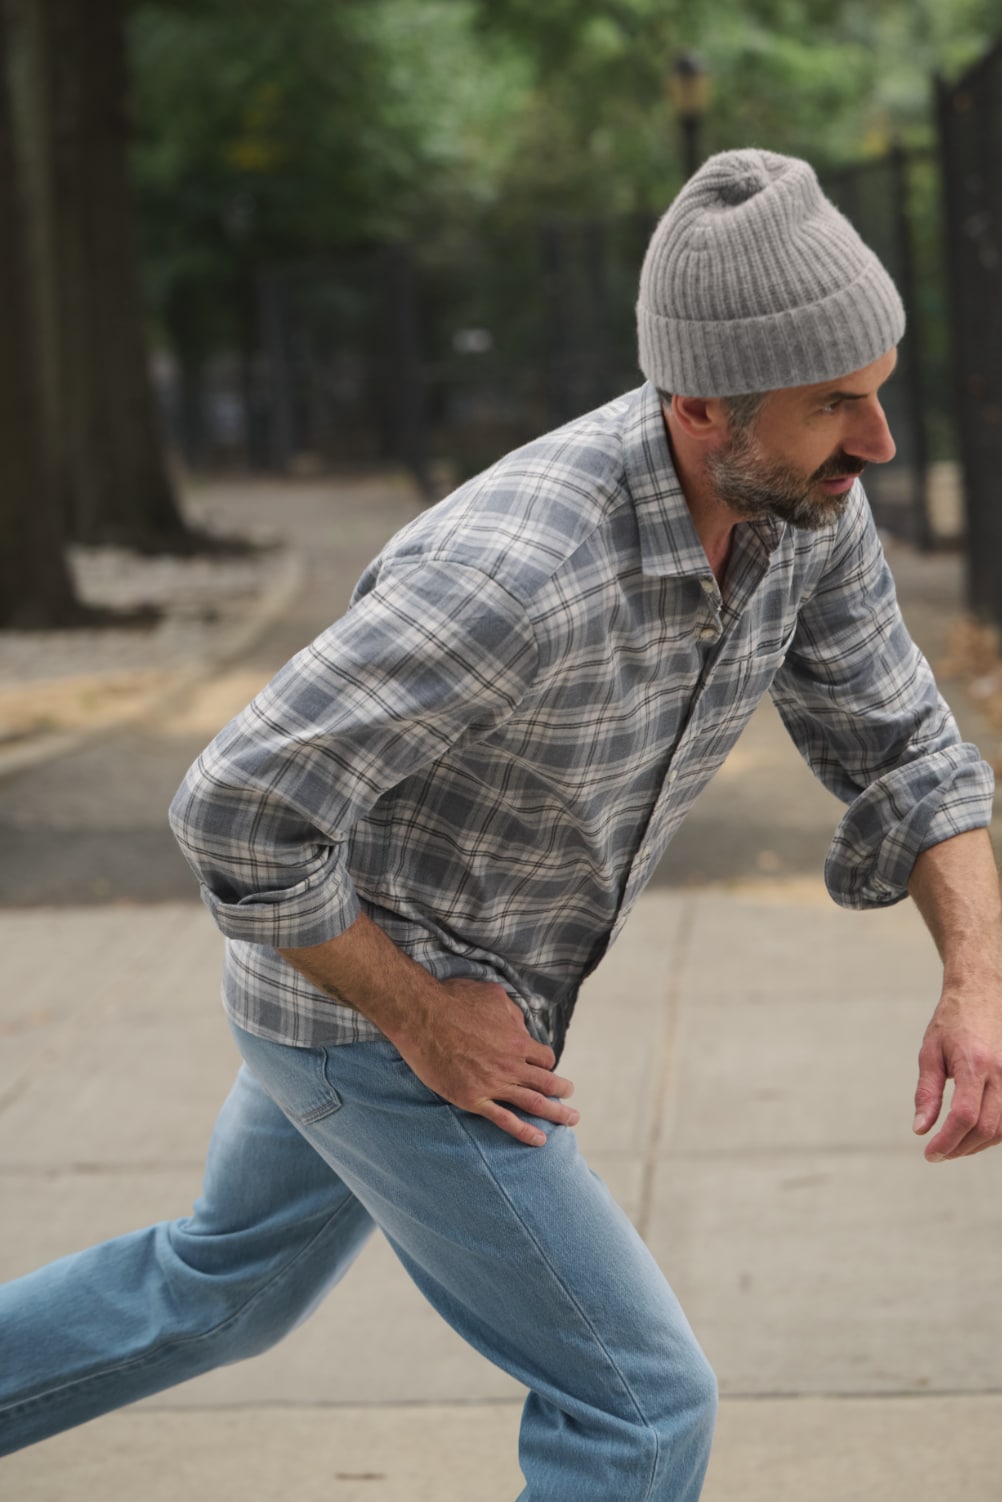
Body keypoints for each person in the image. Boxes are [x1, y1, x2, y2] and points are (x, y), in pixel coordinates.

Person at [2, 148, 1001, 1500]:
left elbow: (904, 743)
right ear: (702, 405)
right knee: (637, 1409)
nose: (876, 443)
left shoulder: (799, 503)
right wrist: (419, 1013)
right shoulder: (515, 575)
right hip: (380, 1020)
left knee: (216, 1290)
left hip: (396, 1001)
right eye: (838, 406)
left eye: (876, 394)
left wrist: (974, 978)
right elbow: (236, 806)